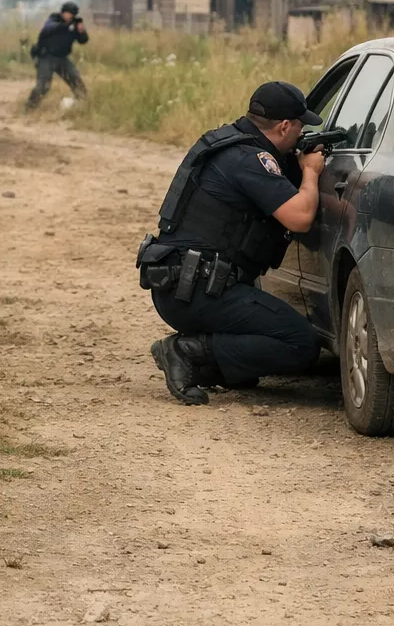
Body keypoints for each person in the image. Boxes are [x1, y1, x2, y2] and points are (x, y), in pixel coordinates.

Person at [139, 82, 325, 406]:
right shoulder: (250, 160)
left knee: (248, 366)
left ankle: (211, 361)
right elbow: (300, 217)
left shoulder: (228, 143)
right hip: (198, 292)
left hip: (181, 284)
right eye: (300, 126)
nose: (300, 133)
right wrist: (310, 172)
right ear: (284, 126)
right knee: (301, 344)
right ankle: (185, 352)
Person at [26, 0, 89, 109]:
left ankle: (82, 106)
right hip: (47, 57)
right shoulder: (54, 18)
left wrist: (81, 31)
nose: (70, 16)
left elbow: (83, 40)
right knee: (43, 86)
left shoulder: (73, 25)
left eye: (72, 15)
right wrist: (66, 25)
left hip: (62, 58)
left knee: (76, 81)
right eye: (69, 14)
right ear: (63, 12)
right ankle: (29, 107)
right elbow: (49, 28)